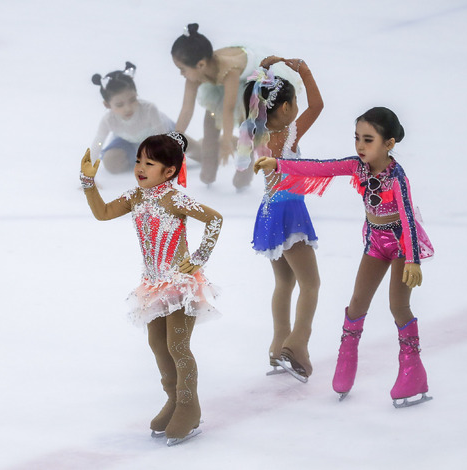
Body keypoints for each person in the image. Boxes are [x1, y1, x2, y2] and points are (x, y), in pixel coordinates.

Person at [253, 107, 434, 407]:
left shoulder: (397, 178)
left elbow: (407, 218)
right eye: (357, 139)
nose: (360, 146)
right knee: (356, 305)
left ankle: (413, 372)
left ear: (388, 144)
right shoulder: (357, 167)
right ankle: (346, 362)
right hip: (376, 243)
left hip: (402, 244)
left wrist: (413, 259)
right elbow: (321, 168)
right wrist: (280, 164)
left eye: (368, 140)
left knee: (398, 305)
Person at [79, 132, 223, 446]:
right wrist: (88, 183)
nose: (140, 168)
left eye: (149, 163)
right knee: (158, 345)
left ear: (169, 170)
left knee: (178, 347)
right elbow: (102, 213)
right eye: (138, 161)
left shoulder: (175, 197)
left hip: (180, 285)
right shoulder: (135, 196)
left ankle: (189, 407)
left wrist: (199, 257)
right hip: (153, 284)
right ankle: (172, 399)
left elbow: (214, 219)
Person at [236, 56, 323, 382]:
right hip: (289, 210)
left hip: (269, 209)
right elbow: (318, 105)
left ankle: (277, 349)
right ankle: (296, 347)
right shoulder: (289, 134)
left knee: (284, 282)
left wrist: (264, 73)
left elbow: (256, 100)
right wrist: (303, 68)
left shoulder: (253, 132)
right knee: (311, 284)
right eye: (294, 102)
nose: (299, 107)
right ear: (285, 107)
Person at [171, 24, 300, 190]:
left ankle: (243, 172)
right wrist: (175, 139)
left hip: (253, 81)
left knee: (247, 124)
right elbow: (186, 108)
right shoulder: (194, 75)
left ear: (201, 65)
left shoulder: (229, 69)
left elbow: (228, 109)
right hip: (221, 78)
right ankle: (209, 168)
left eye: (182, 69)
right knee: (210, 119)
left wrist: (226, 141)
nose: (181, 74)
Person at [90, 62, 198, 173]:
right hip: (129, 141)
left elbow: (162, 138)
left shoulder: (149, 110)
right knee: (111, 162)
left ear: (136, 94)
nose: (128, 108)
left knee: (199, 152)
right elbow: (97, 144)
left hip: (161, 135)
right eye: (119, 105)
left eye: (132, 100)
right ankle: (142, 157)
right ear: (107, 105)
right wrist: (88, 177)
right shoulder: (108, 120)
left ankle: (206, 147)